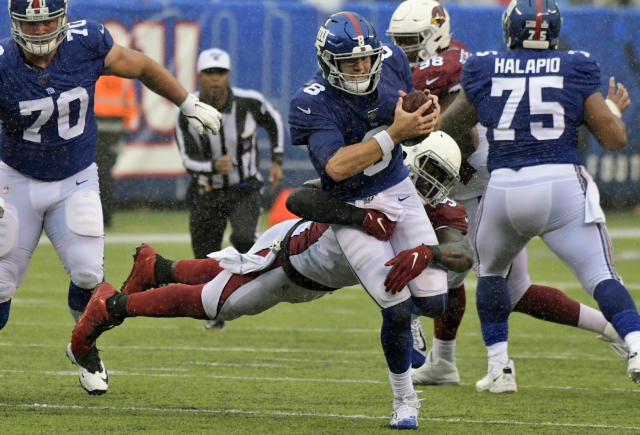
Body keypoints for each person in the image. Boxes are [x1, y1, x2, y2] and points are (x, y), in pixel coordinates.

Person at [68, 134, 473, 418]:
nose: (429, 183)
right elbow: (301, 198)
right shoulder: (375, 178)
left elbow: (460, 254)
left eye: (441, 176)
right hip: (289, 256)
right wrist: (360, 216)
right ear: (411, 157)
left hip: (317, 280)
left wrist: (428, 251)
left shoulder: (441, 213)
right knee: (213, 303)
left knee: (229, 270)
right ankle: (112, 304)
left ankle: (155, 267)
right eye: (427, 169)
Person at [386, 0, 627, 388]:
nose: (406, 52)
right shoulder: (439, 66)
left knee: (488, 280)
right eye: (399, 43)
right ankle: (443, 360)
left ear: (436, 35)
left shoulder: (449, 65)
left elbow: (452, 128)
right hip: (460, 184)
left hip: (482, 184)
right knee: (489, 282)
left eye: (412, 42)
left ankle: (611, 329)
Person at [0, 0, 221, 396]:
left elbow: (143, 67)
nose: (38, 33)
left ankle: (85, 349)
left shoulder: (86, 42)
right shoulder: (3, 63)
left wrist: (186, 102)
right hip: (15, 178)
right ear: (15, 24)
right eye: (29, 25)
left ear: (62, 18)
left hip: (75, 177)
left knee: (88, 275)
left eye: (47, 22)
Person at [288, 11, 442, 429]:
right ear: (327, 62)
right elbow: (336, 167)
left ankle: (413, 317)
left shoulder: (391, 59)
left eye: (365, 60)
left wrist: (425, 121)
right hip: (354, 207)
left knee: (434, 302)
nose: (361, 68)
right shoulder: (311, 99)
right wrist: (394, 132)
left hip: (399, 189)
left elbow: (411, 122)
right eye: (350, 63)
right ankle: (404, 401)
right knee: (395, 308)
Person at [175, 47, 285, 260]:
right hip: (206, 190)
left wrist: (277, 160)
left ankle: (247, 292)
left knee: (246, 243)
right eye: (209, 73)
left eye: (221, 73)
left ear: (228, 75)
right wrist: (212, 166)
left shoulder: (249, 102)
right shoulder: (185, 112)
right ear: (199, 76)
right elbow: (187, 160)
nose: (215, 79)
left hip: (244, 189)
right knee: (205, 258)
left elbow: (275, 122)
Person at [94, 75, 139, 228]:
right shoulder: (125, 76)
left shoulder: (92, 70)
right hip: (115, 130)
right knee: (106, 174)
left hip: (94, 128)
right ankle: (105, 217)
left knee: (94, 174)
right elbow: (131, 106)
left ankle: (96, 215)